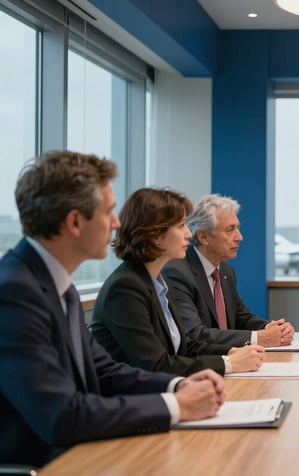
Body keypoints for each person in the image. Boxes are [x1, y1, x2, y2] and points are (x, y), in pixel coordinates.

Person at [0, 151, 225, 467]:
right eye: (108, 211)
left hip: (83, 452)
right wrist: (176, 405)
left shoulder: (57, 286)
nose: (117, 222)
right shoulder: (14, 292)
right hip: (50, 464)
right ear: (75, 221)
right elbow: (62, 416)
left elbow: (104, 371)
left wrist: (179, 385)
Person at [91, 188, 265, 376]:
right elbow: (156, 365)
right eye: (181, 225)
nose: (189, 234)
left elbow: (185, 346)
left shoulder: (158, 280)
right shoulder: (125, 288)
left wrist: (231, 352)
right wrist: (228, 363)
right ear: (155, 235)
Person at [164, 194, 294, 347]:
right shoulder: (177, 273)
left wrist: (272, 328)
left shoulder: (225, 270)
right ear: (203, 236)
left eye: (237, 228)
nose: (239, 237)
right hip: (202, 366)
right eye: (230, 230)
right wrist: (259, 338)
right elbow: (194, 333)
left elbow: (241, 318)